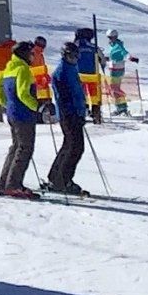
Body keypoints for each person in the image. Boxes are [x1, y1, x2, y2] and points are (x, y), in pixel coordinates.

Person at [0, 39, 45, 198]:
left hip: (12, 113)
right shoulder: (23, 69)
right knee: (25, 148)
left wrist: (6, 102)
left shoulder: (9, 68)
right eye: (31, 53)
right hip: (24, 115)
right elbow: (23, 94)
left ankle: (5, 183)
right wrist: (37, 107)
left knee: (16, 147)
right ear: (24, 54)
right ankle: (14, 185)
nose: (33, 56)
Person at [44, 39, 90, 196]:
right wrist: (73, 113)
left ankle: (55, 177)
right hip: (69, 114)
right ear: (65, 56)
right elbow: (64, 97)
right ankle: (63, 181)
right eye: (71, 56)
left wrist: (84, 107)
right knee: (75, 148)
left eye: (76, 56)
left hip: (75, 113)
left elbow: (77, 92)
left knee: (69, 146)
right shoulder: (62, 71)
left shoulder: (71, 68)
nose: (75, 59)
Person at [104, 30, 135, 114]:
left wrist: (130, 57)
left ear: (116, 37)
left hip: (118, 69)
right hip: (113, 69)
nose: (110, 39)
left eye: (112, 37)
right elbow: (115, 57)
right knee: (114, 89)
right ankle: (120, 107)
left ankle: (122, 108)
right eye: (109, 37)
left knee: (114, 89)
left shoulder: (118, 45)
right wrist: (107, 59)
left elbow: (124, 52)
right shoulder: (112, 45)